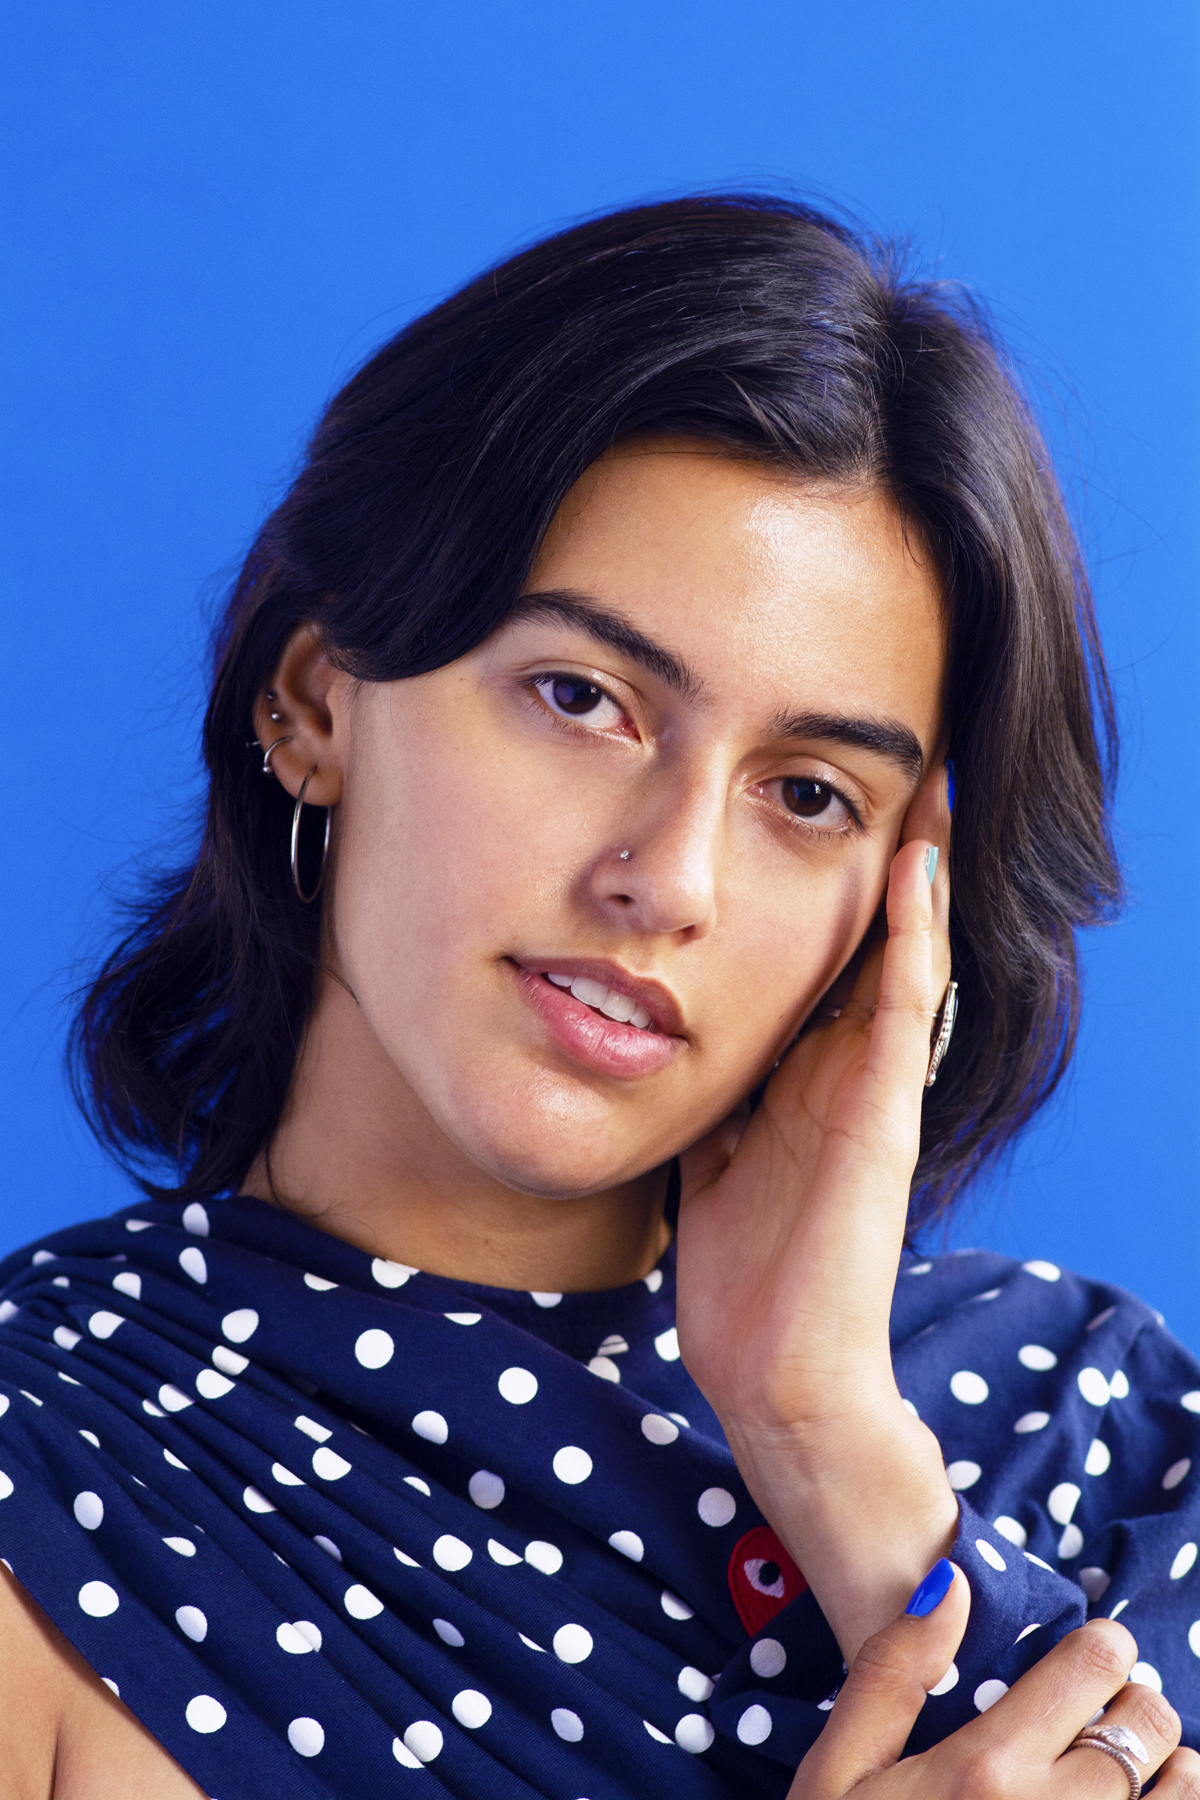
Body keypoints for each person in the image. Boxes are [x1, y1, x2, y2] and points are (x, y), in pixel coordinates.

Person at [0, 195, 1197, 1800]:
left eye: (811, 794)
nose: (672, 878)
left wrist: (829, 1439)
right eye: (584, 700)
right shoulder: (53, 1476)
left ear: (902, 904)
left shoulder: (1100, 1422)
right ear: (314, 701)